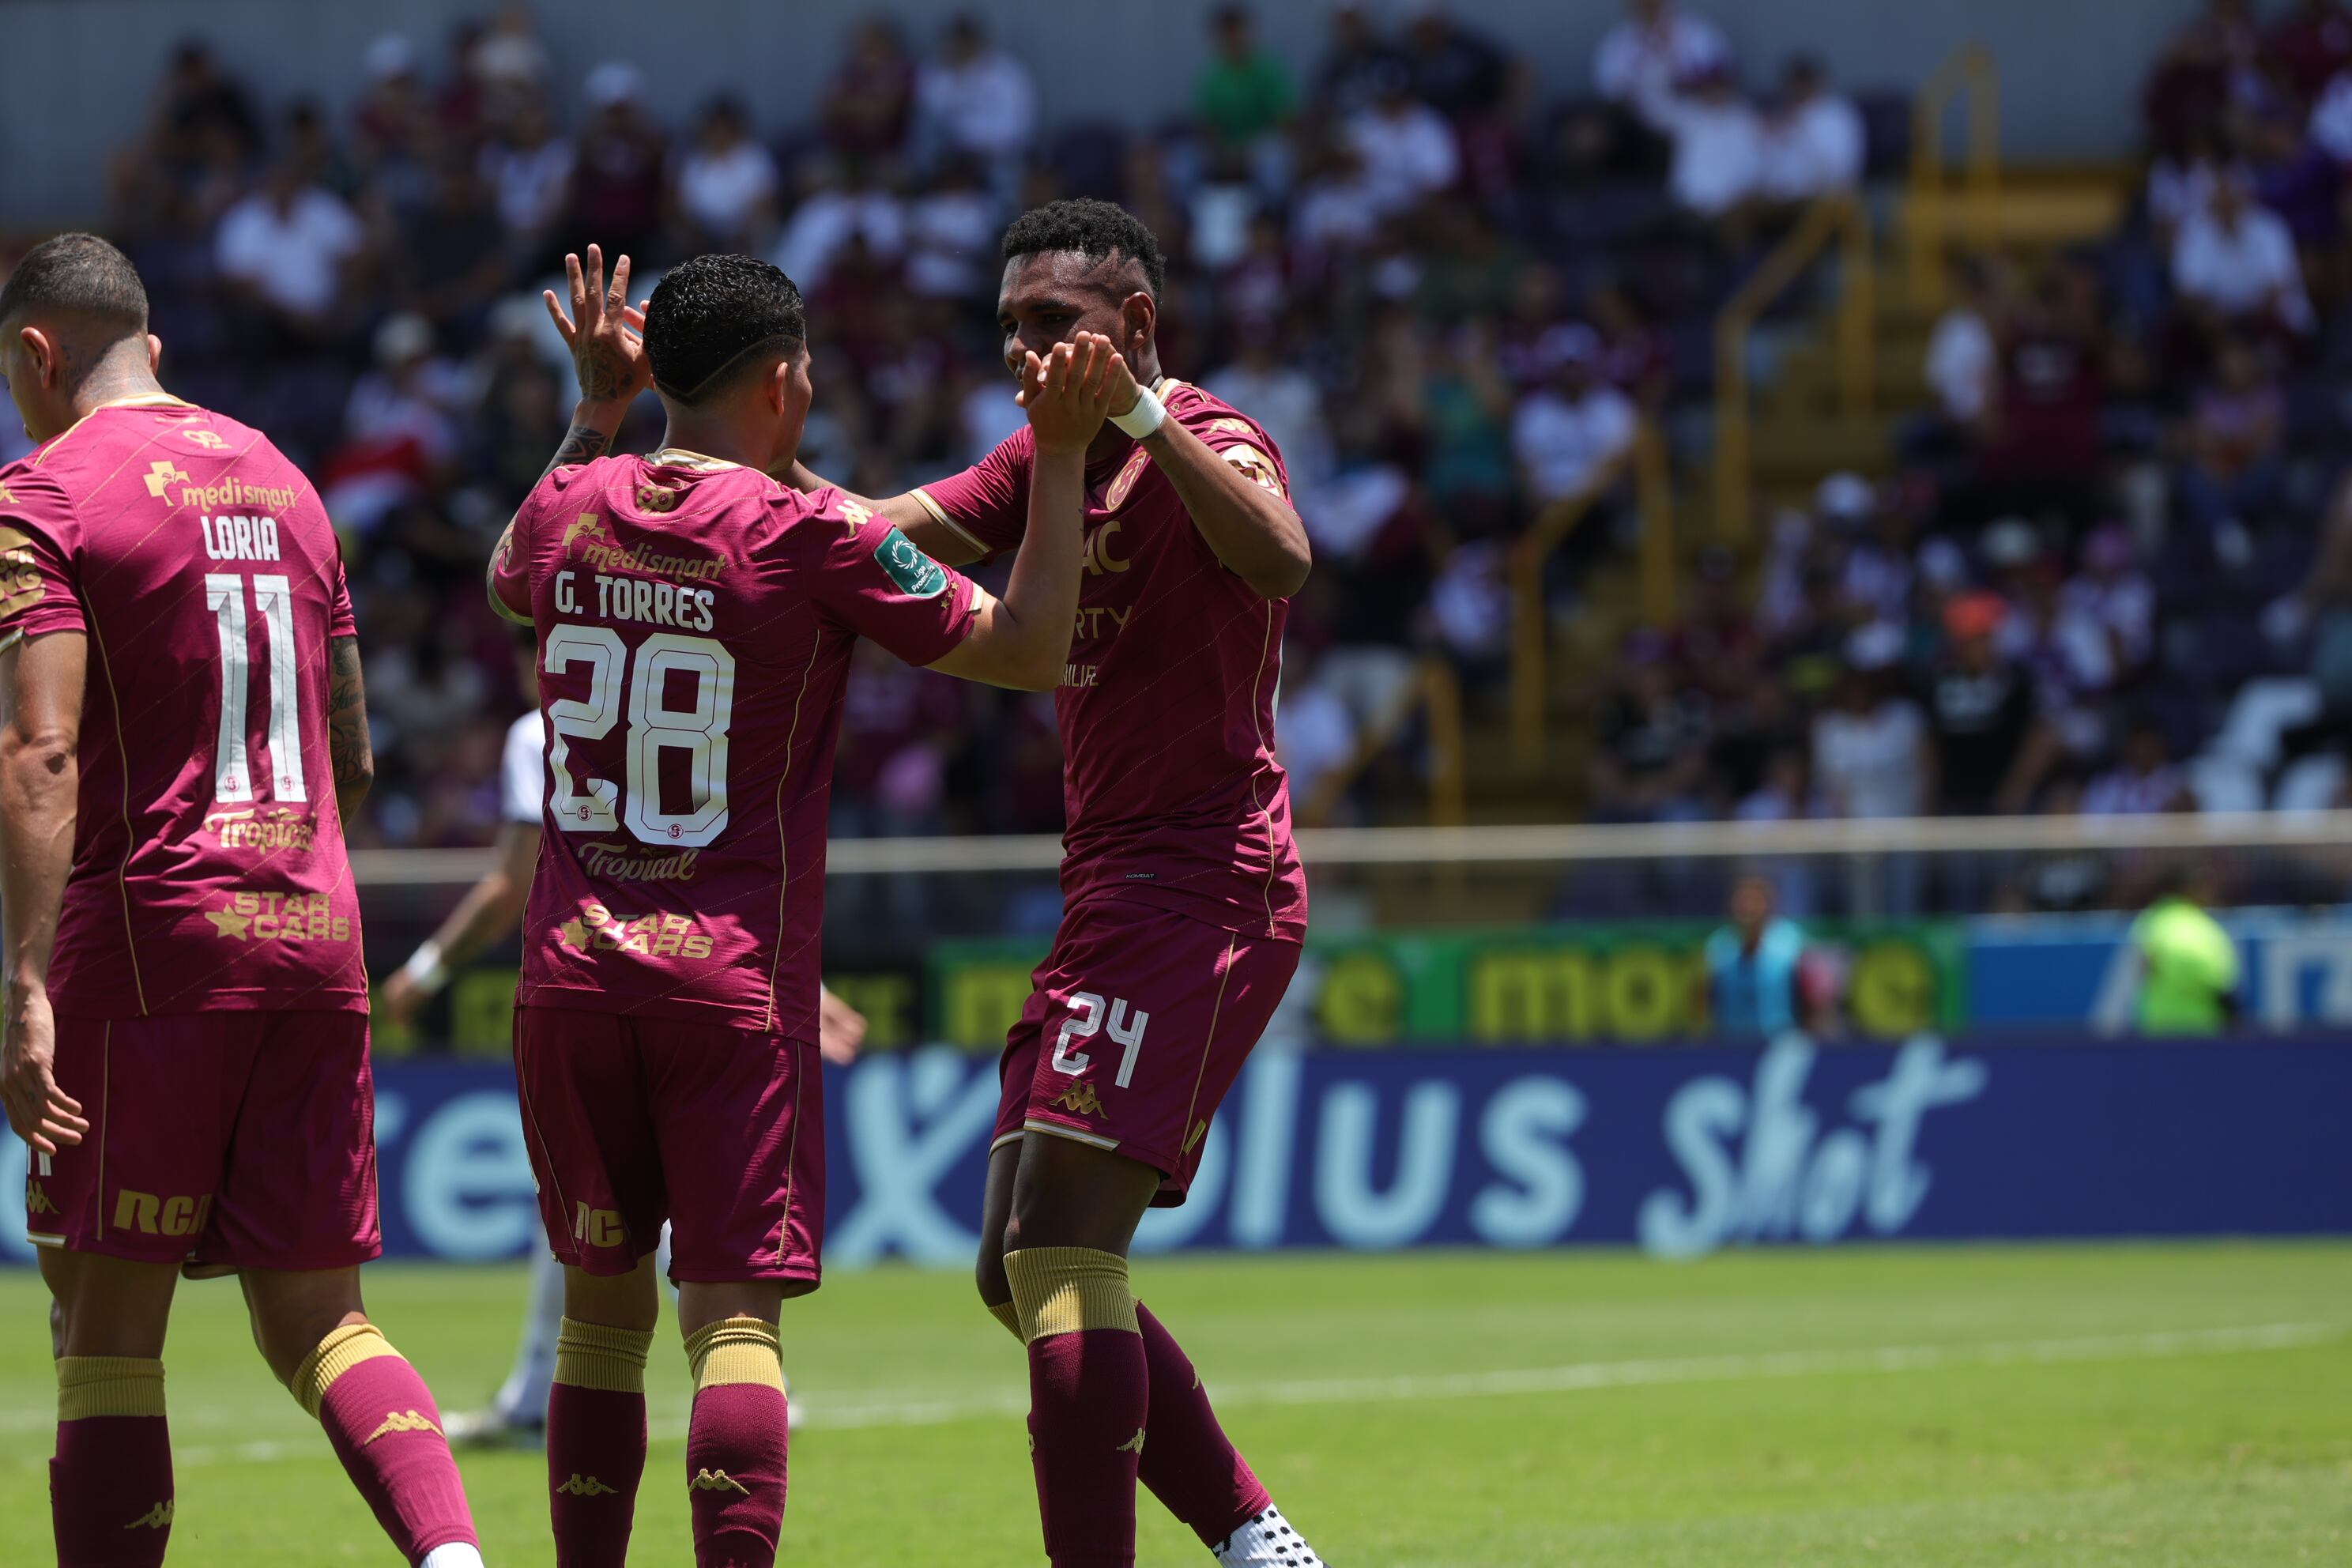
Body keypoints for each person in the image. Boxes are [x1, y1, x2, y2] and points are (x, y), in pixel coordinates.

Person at [488, 244, 1115, 1567]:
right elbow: (1029, 645)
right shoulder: (807, 531)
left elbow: (505, 578)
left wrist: (596, 407)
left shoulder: (572, 502)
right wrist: (1054, 456)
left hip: (569, 981)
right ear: (782, 383)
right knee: (731, 1324)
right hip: (726, 984)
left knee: (600, 1323)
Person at [782, 198, 1326, 1568]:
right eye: (1009, 328)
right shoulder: (1042, 459)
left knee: (1058, 1250)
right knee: (1008, 1267)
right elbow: (881, 527)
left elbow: (1281, 556)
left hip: (1203, 881)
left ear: (1132, 326)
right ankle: (1256, 1534)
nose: (1024, 352)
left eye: (1053, 324)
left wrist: (1137, 420)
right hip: (1110, 886)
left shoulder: (1203, 435)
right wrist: (711, 470)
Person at [0, 233, 484, 1566]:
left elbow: (41, 751)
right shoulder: (289, 478)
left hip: (148, 942)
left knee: (106, 1329)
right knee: (324, 1317)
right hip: (313, 932)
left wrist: (25, 981)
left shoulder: (40, 493)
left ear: (35, 357)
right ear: (151, 345)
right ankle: (455, 1558)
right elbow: (357, 746)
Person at [377, 628, 869, 1446]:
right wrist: (794, 980)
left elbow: (511, 880)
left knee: (597, 1207)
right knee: (693, 1206)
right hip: (708, 981)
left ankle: (558, 1394)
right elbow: (723, 865)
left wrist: (426, 969)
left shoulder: (539, 731)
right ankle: (743, 1380)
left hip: (593, 982)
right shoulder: (700, 699)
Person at [2128, 866, 2242, 1035]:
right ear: (2189, 889)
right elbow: (2216, 979)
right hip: (2200, 1029)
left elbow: (2143, 972)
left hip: (2156, 1026)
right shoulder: (2201, 927)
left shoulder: (2150, 921)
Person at [1702, 873, 1807, 1037]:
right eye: (1743, 901)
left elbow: (1807, 997)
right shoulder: (1718, 945)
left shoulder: (1791, 941)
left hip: (1780, 1042)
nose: (1749, 908)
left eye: (1755, 901)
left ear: (1768, 904)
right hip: (1730, 1041)